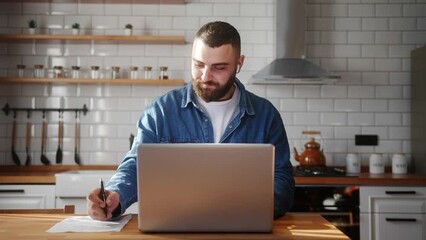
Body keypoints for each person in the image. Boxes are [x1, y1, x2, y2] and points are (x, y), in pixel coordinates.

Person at [87, 21, 294, 220]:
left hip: (245, 230)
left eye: (219, 68)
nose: (205, 76)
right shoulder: (160, 111)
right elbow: (136, 166)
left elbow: (282, 181)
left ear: (239, 64)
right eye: (199, 65)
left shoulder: (266, 116)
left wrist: (248, 209)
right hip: (173, 229)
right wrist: (115, 195)